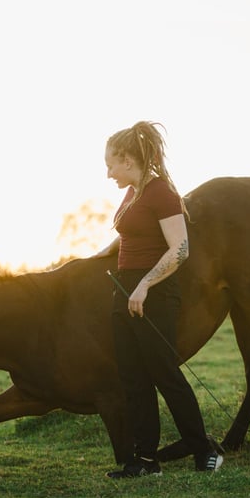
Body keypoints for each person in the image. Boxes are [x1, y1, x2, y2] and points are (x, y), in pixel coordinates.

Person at [94, 121, 223, 478]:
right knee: (133, 379)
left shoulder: (161, 192)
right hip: (126, 291)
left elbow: (180, 249)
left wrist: (145, 285)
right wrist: (97, 256)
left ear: (127, 159)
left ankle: (205, 452)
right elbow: (130, 234)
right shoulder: (133, 193)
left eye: (111, 165)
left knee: (164, 374)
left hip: (155, 293)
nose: (108, 174)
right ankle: (145, 462)